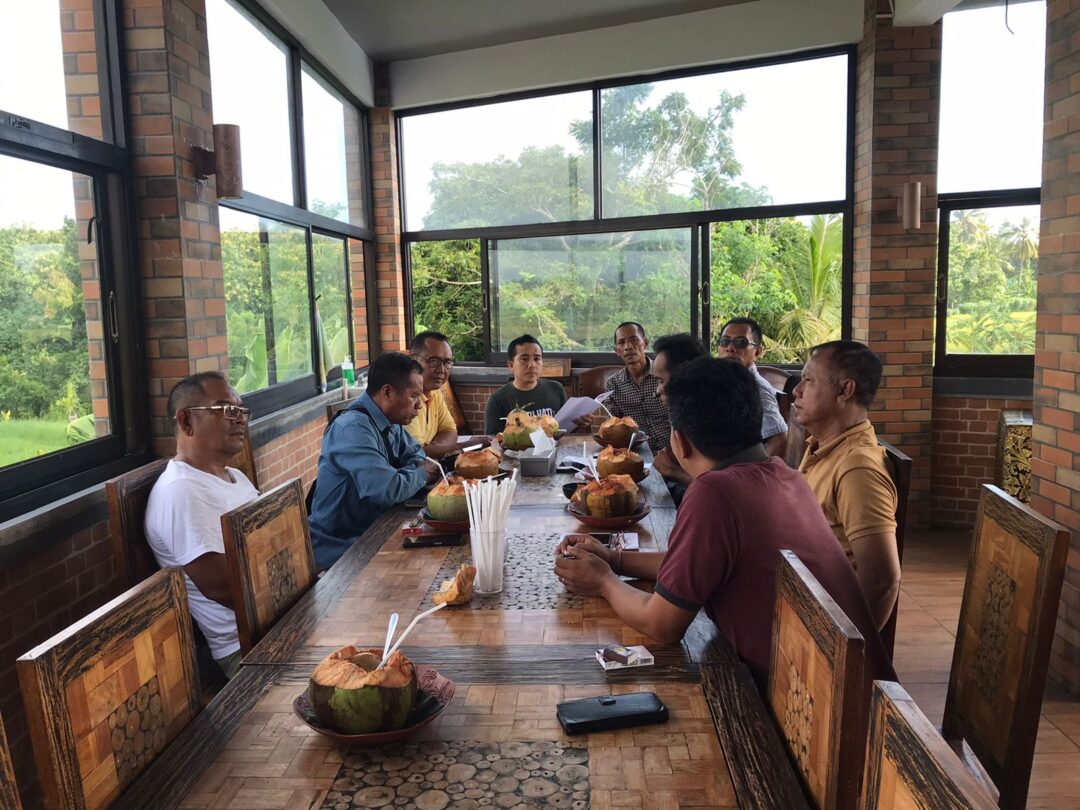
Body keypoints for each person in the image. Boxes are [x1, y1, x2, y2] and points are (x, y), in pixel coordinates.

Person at [554, 357, 894, 692]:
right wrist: (615, 559)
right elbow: (699, 564)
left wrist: (603, 580)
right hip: (865, 693)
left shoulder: (714, 493)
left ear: (680, 441)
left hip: (814, 707)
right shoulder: (786, 476)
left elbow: (661, 624)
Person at [145, 372, 258, 680]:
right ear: (186, 420)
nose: (239, 418)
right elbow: (226, 590)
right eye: (226, 409)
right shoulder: (182, 491)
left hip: (280, 616)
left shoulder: (234, 476)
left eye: (241, 410)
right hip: (247, 645)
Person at [792, 340, 900, 631]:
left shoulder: (857, 468)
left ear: (844, 390)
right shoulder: (822, 445)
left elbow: (882, 580)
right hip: (799, 598)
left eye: (808, 381)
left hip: (819, 624)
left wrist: (844, 649)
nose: (797, 391)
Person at [308, 352, 442, 571]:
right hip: (340, 545)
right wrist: (420, 474)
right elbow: (386, 489)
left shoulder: (390, 420)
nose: (419, 405)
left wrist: (406, 474)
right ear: (387, 392)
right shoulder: (352, 429)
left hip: (376, 529)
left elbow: (418, 455)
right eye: (414, 396)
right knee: (421, 566)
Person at [406, 330, 490, 458]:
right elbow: (418, 454)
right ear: (412, 360)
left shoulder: (435, 392)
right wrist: (466, 445)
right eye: (434, 361)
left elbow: (450, 431)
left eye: (447, 363)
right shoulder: (405, 399)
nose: (442, 370)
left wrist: (436, 448)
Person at [716, 317, 788, 457]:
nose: (730, 348)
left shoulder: (755, 389)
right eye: (725, 341)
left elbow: (780, 440)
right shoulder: (728, 381)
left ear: (757, 352)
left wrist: (755, 470)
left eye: (741, 342)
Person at [649, 333, 706, 496]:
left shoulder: (707, 418)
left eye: (661, 381)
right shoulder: (685, 410)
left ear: (684, 378)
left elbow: (720, 490)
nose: (657, 391)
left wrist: (672, 471)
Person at [603, 322, 671, 452]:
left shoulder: (664, 375)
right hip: (636, 453)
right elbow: (612, 426)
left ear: (645, 343)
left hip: (673, 450)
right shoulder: (613, 384)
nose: (628, 347)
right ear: (616, 350)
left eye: (634, 340)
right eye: (621, 342)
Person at [483, 334, 569, 434]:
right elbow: (492, 439)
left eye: (537, 359)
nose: (532, 365)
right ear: (511, 365)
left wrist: (579, 425)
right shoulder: (497, 400)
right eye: (524, 359)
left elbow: (565, 429)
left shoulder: (556, 389)